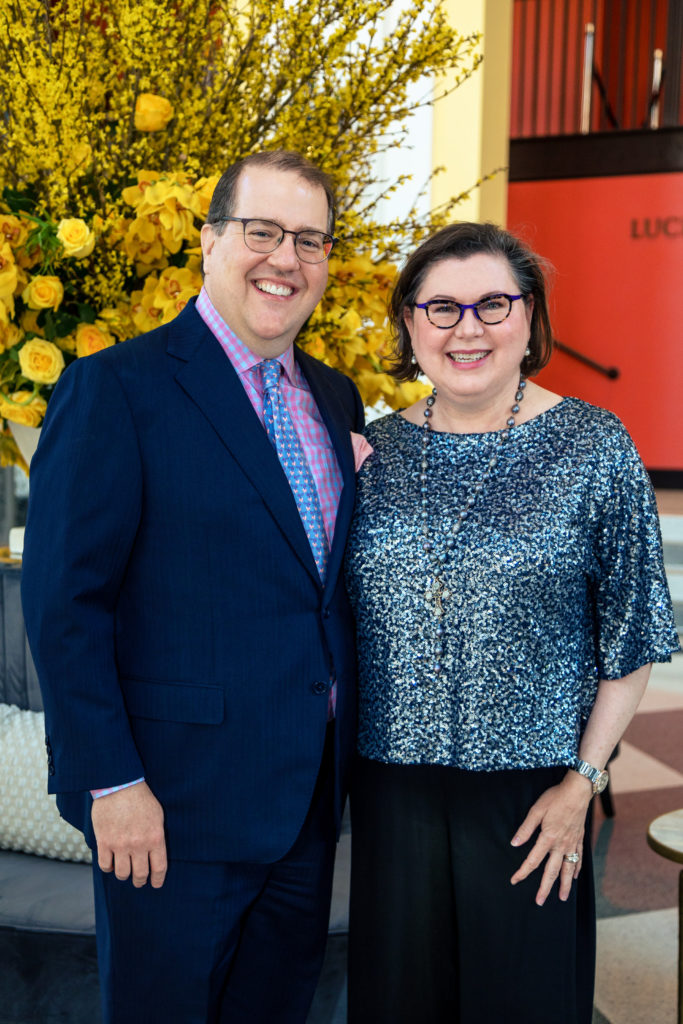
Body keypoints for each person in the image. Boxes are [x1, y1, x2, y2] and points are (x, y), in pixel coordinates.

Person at [21, 149, 365, 1024]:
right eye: (262, 231)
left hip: (304, 805)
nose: (286, 259)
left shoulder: (336, 398)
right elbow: (65, 607)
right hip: (168, 811)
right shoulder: (114, 388)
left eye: (310, 240)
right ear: (209, 241)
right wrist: (111, 785)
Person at [344, 221, 680, 1024]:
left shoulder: (592, 447)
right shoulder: (369, 453)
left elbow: (631, 638)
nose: (467, 329)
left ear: (529, 317)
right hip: (390, 794)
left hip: (532, 796)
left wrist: (581, 784)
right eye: (441, 308)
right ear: (409, 324)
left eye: (492, 304)